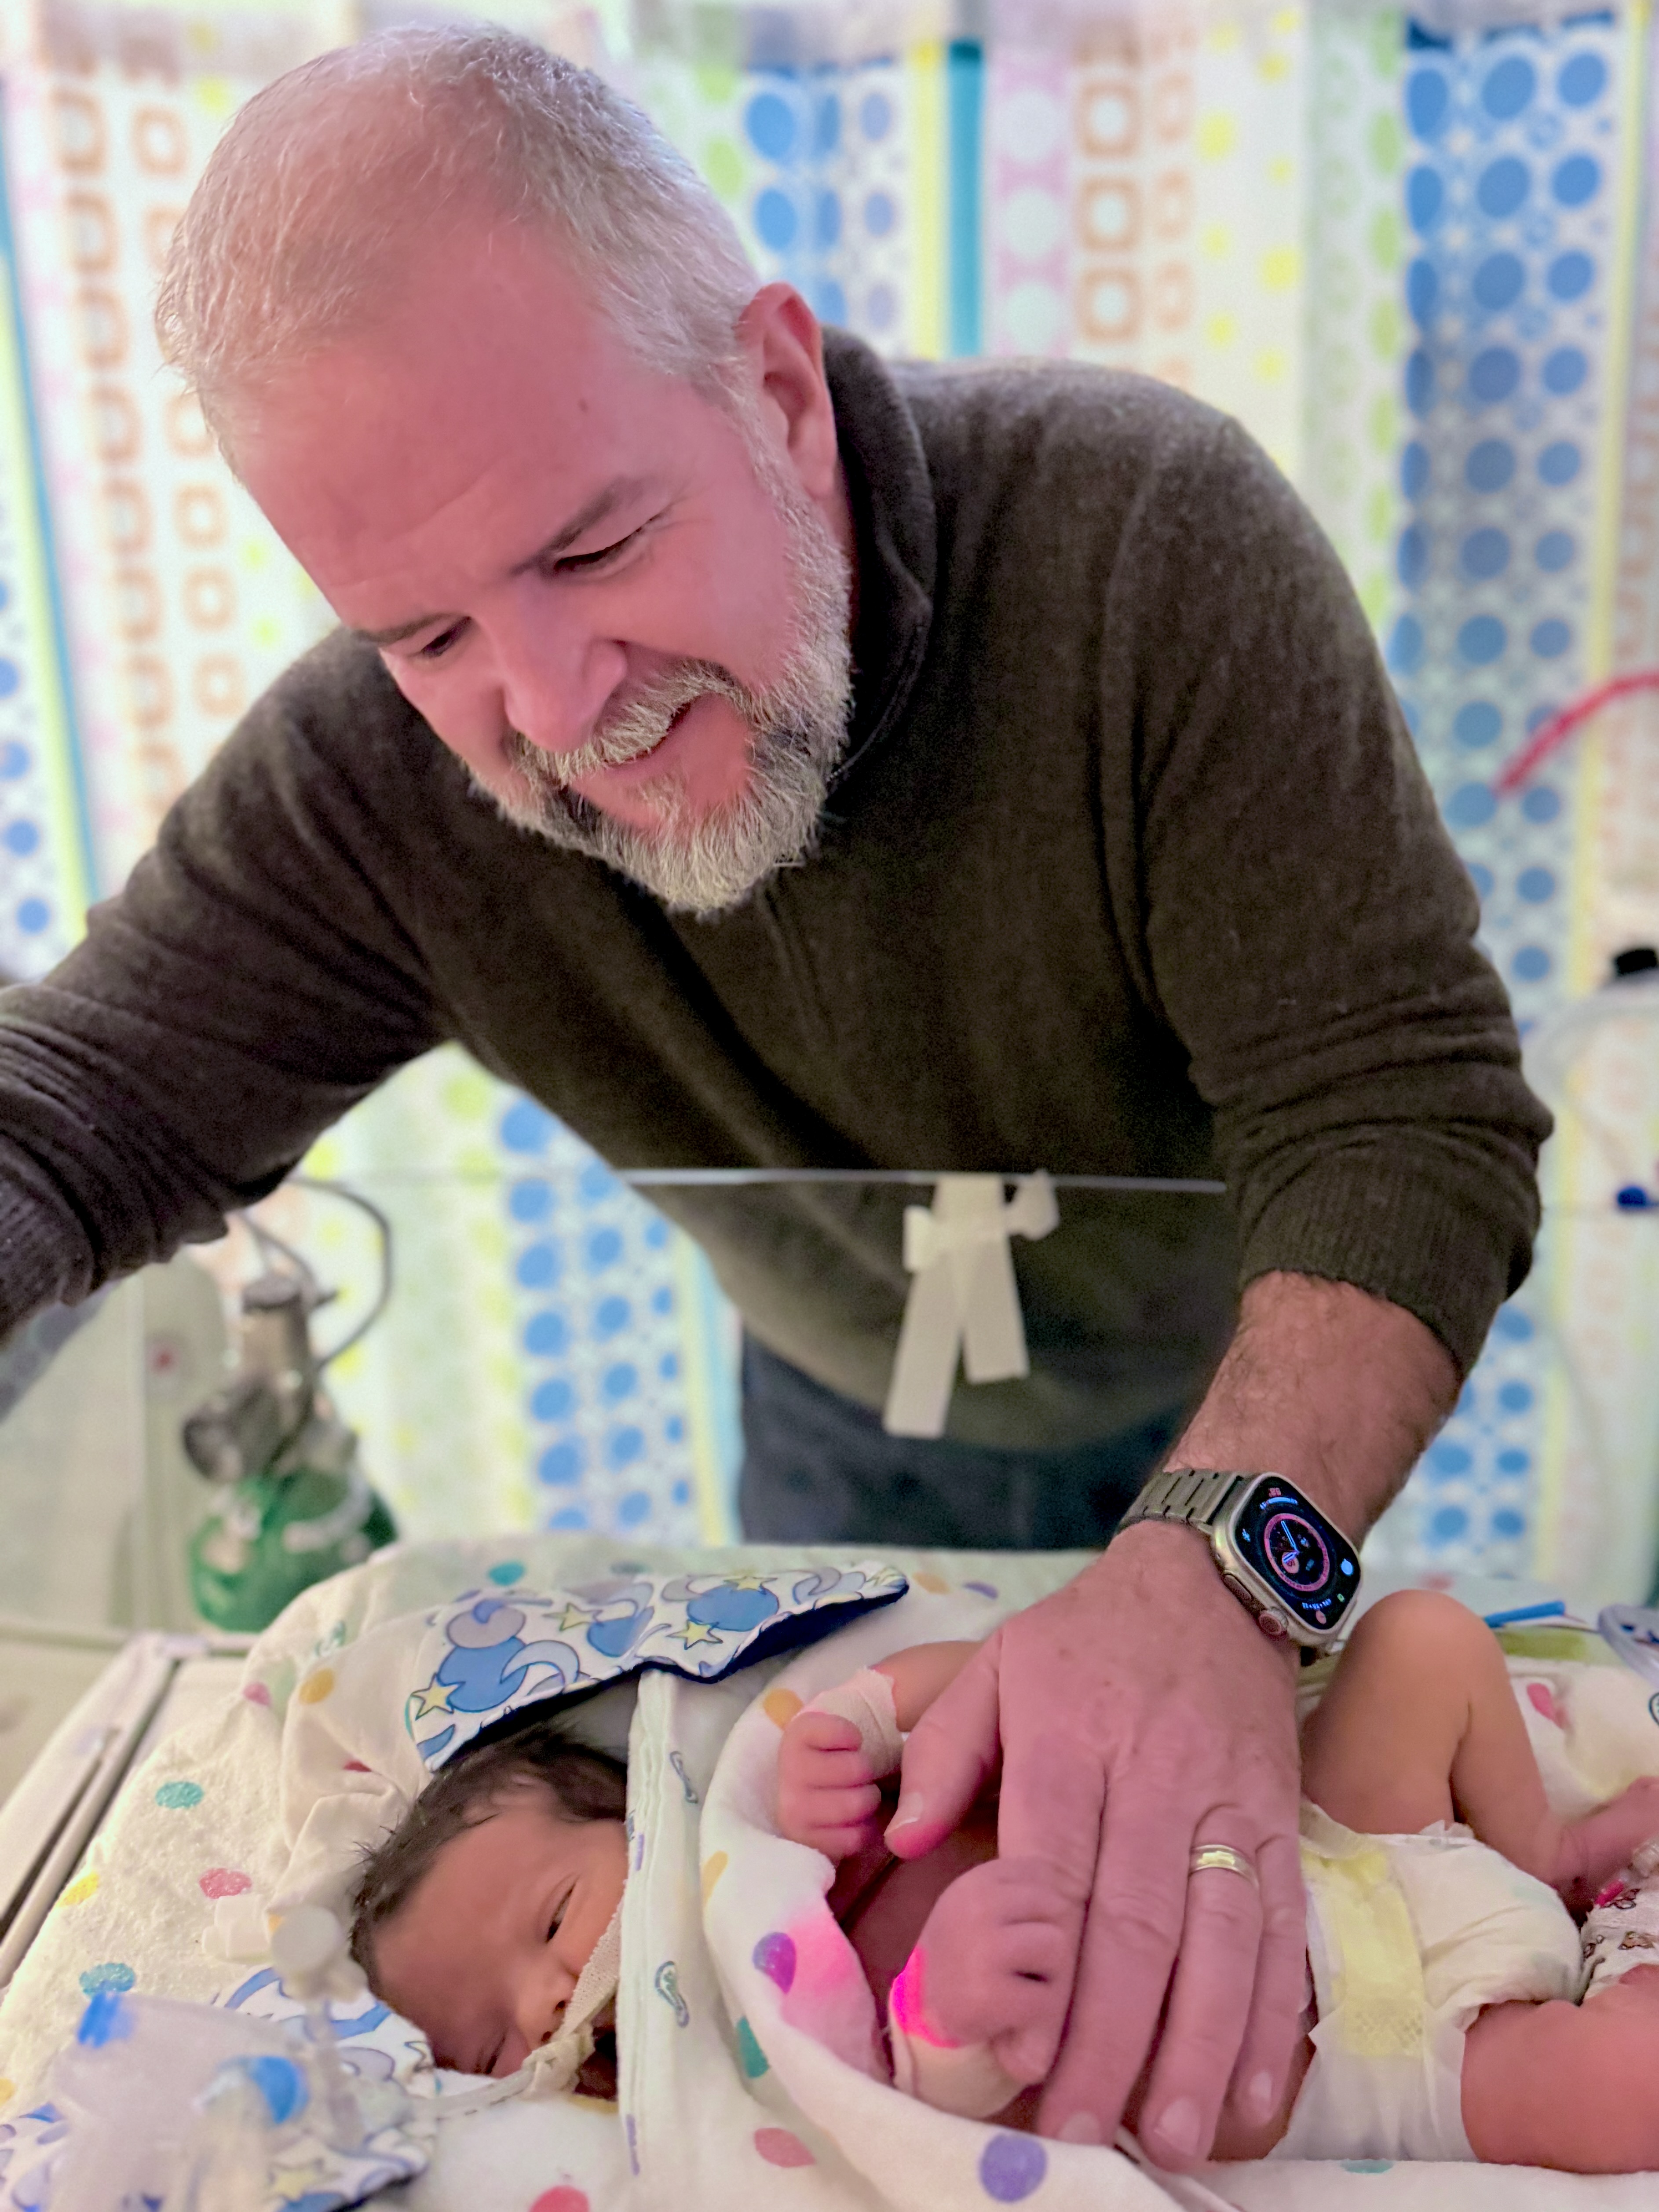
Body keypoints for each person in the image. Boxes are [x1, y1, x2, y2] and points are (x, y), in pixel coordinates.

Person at [0, 24, 1549, 2168]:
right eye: (430, 633)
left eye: (595, 546)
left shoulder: (1143, 547)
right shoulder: (383, 779)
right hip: (832, 1408)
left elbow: (1404, 1115)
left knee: (1327, 1887)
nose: (550, 713)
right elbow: (73, 1106)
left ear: (779, 384)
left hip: (1225, 1388)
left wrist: (1216, 1568)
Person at [352, 1591, 1659, 2172]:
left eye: (553, 1921)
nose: (542, 2000)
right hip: (1384, 2049)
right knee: (1622, 2090)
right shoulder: (770, 2040)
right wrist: (950, 2020)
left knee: (1420, 1642)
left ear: (648, 1824)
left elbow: (1012, 1676)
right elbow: (909, 2122)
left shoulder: (783, 1825)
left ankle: (1549, 1863)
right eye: (480, 2042)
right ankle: (1616, 1945)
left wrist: (867, 1722)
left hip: (1337, 1834)